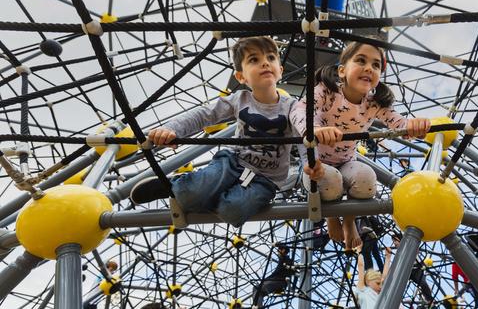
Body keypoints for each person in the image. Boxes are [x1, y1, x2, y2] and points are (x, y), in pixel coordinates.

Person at [130, 36, 323, 227]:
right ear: (241, 76)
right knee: (189, 196)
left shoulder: (292, 107)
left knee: (232, 212)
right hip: (232, 162)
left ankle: (200, 190)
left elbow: (304, 135)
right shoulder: (240, 100)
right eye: (254, 59)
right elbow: (204, 115)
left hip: (266, 179)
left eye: (271, 58)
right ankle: (178, 185)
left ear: (280, 71)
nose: (265, 63)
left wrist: (309, 162)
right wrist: (171, 129)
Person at [290, 41, 430, 249]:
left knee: (367, 178)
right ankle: (332, 216)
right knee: (331, 179)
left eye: (376, 65)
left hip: (347, 161)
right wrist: (314, 130)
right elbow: (298, 110)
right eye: (361, 60)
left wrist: (415, 126)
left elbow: (401, 126)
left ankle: (349, 218)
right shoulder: (327, 91)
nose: (368, 68)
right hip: (316, 165)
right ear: (342, 71)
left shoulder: (374, 103)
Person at [392, 233, 434, 305]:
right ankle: (395, 299)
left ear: (400, 240)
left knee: (422, 283)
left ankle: (429, 300)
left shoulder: (408, 245)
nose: (394, 243)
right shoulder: (398, 252)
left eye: (395, 240)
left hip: (416, 268)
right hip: (406, 270)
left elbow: (416, 250)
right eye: (393, 241)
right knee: (399, 285)